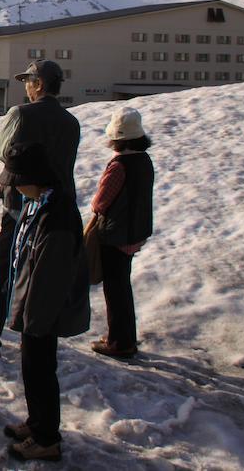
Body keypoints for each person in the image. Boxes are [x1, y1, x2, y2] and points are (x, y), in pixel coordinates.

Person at [0, 60, 80, 358]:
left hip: (20, 206)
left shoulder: (20, 114)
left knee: (2, 272)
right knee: (39, 276)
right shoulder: (70, 121)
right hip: (57, 207)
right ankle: (33, 335)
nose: (25, 85)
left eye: (28, 80)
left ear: (38, 84)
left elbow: (4, 152)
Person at [0, 142, 90, 462]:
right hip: (35, 309)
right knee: (33, 369)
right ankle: (38, 423)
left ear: (33, 177)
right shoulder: (41, 202)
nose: (15, 186)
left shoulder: (57, 215)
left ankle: (47, 438)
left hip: (42, 313)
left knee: (40, 372)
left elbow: (51, 277)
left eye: (17, 179)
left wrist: (33, 319)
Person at [86, 107, 154, 359]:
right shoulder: (144, 160)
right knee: (122, 285)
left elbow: (100, 203)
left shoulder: (119, 165)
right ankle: (123, 336)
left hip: (117, 234)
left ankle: (120, 342)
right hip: (136, 231)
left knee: (115, 290)